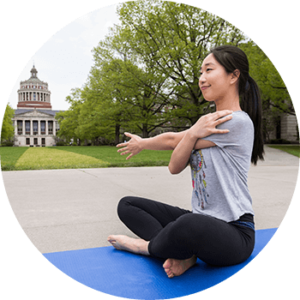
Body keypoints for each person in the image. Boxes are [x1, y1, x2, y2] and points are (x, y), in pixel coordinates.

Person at [107, 45, 264, 278]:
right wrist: (191, 134)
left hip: (235, 232)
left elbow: (173, 141)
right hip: (202, 222)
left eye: (209, 70)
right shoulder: (204, 124)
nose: (201, 79)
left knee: (189, 224)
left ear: (234, 75)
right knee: (127, 205)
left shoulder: (237, 122)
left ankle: (145, 247)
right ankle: (183, 252)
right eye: (200, 72)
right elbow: (175, 166)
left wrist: (183, 136)